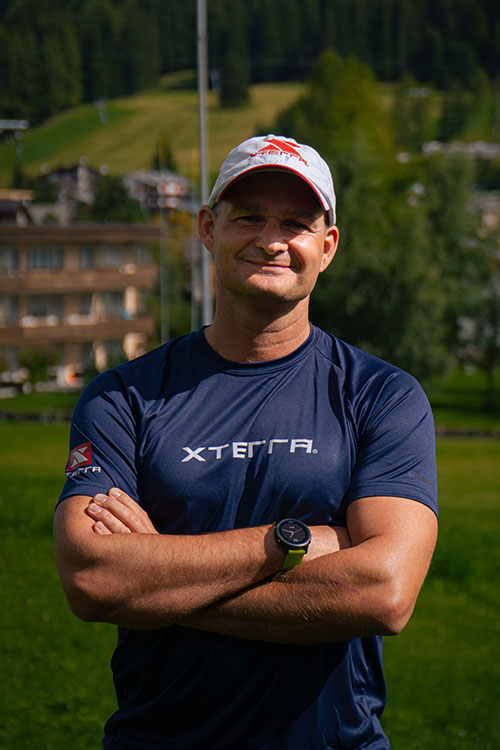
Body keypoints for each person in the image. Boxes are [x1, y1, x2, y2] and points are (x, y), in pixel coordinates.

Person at [54, 134, 438, 750]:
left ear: (327, 247)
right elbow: (93, 579)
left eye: (296, 223)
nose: (271, 240)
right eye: (249, 217)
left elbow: (384, 593)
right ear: (209, 229)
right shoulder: (121, 397)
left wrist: (154, 580)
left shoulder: (382, 396)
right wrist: (295, 543)